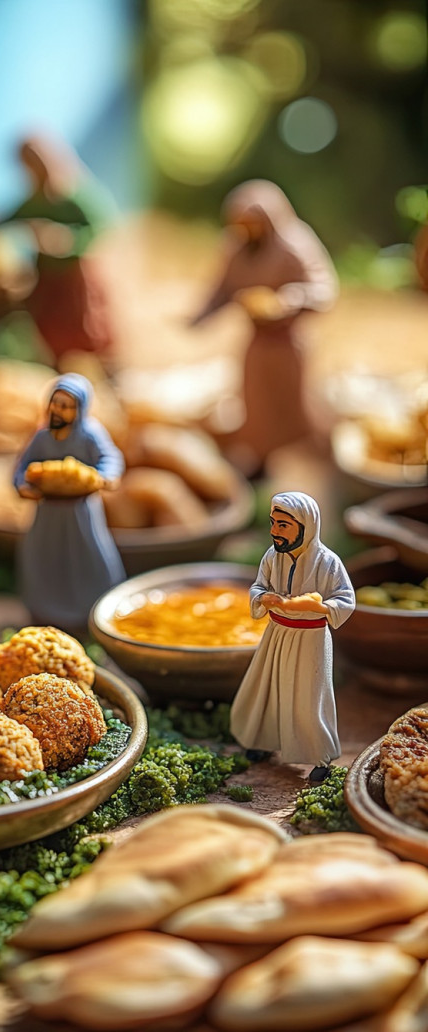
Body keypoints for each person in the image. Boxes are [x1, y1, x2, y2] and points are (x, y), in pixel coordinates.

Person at [192, 180, 338, 476]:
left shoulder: (294, 244)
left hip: (288, 341)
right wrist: (201, 315)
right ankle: (260, 460)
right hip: (257, 342)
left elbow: (324, 288)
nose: (247, 231)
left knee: (294, 405)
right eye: (241, 225)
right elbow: (223, 288)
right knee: (256, 405)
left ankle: (316, 463)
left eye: (253, 224)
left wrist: (290, 300)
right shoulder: (238, 248)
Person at [230, 491, 355, 782]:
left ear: (305, 526)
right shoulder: (272, 557)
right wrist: (264, 598)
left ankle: (321, 757)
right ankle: (263, 743)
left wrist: (320, 607)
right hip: (276, 634)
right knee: (268, 690)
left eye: (283, 525)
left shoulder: (328, 562)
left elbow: (345, 599)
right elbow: (257, 587)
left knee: (309, 701)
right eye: (273, 523)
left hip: (310, 638)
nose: (274, 531)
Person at [13, 372, 125, 633]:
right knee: (44, 557)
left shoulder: (90, 434)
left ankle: (93, 612)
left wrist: (105, 477)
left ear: (80, 409)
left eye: (67, 406)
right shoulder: (42, 437)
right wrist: (22, 485)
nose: (59, 411)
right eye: (56, 403)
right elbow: (22, 466)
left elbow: (110, 458)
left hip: (80, 512)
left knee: (89, 556)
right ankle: (45, 611)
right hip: (48, 512)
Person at [0, 136, 115, 366]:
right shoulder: (34, 201)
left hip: (74, 278)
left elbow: (100, 227)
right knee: (51, 331)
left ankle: (100, 376)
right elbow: (2, 222)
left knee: (87, 331)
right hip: (48, 280)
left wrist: (66, 240)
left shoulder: (74, 196)